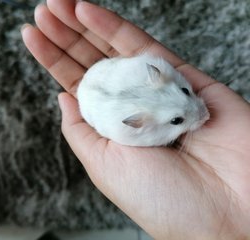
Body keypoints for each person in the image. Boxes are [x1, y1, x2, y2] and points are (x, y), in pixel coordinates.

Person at [21, 0, 250, 239]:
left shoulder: (156, 71)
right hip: (100, 87)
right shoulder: (129, 127)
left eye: (186, 92)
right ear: (140, 125)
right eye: (176, 121)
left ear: (158, 77)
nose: (203, 111)